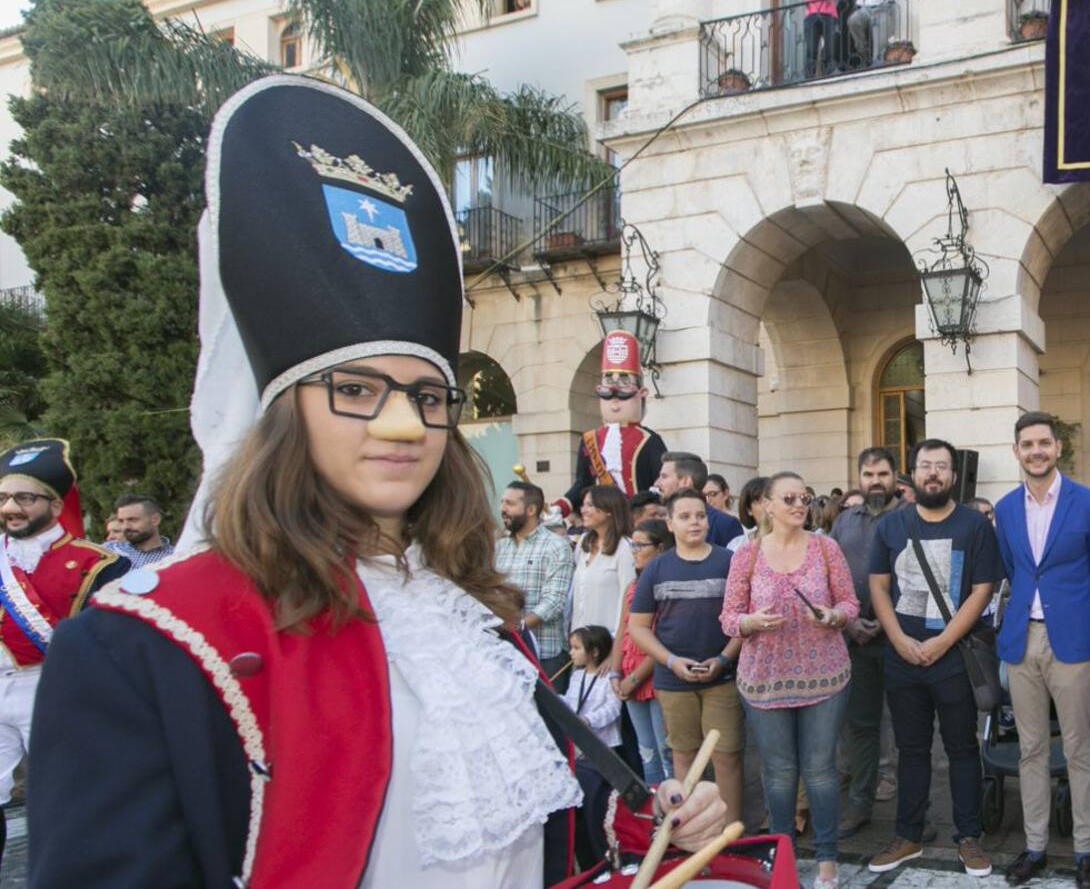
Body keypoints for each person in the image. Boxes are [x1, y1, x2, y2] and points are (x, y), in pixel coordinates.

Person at [25, 76, 726, 888]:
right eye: (355, 390)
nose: (405, 426)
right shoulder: (139, 645)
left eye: (429, 397)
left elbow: (530, 823)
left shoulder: (470, 619)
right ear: (280, 414)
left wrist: (648, 816)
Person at [995, 412, 1090, 889]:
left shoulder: (1088, 505)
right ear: (1017, 451)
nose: (1036, 451)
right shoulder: (1006, 509)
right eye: (1027, 444)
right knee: (1029, 748)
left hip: (1073, 638)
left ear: (1057, 448)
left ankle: (1086, 851)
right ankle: (1035, 847)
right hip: (1021, 638)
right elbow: (1014, 567)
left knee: (1078, 747)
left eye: (1043, 443)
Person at [867, 438, 1001, 879]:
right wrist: (898, 639)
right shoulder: (891, 525)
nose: (933, 474)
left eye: (941, 467)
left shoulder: (974, 526)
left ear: (953, 475)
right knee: (911, 749)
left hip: (954, 656)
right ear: (914, 473)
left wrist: (942, 641)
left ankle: (969, 837)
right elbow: (879, 586)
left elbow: (982, 590)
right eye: (926, 466)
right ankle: (908, 834)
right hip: (902, 656)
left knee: (963, 748)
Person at [720, 472, 857, 889]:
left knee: (819, 771)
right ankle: (783, 861)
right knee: (778, 774)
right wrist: (750, 622)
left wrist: (834, 616)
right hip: (764, 679)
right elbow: (728, 617)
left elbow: (850, 601)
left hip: (824, 676)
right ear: (766, 505)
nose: (800, 504)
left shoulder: (826, 547)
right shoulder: (747, 554)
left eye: (805, 497)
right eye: (789, 498)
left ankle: (828, 863)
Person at [0, 438, 128, 865]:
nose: (10, 508)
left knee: (72, 797)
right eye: (2, 497)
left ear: (55, 505)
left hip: (55, 687)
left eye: (24, 497)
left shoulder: (101, 564)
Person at [630, 487, 744, 824]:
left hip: (722, 676)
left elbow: (742, 622)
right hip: (673, 679)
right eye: (684, 516)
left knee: (728, 757)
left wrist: (723, 658)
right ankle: (693, 835)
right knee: (684, 759)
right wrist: (670, 661)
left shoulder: (729, 561)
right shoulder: (657, 568)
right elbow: (638, 627)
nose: (694, 522)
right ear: (669, 523)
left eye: (699, 515)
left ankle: (731, 836)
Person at [831, 447, 904, 839]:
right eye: (869, 474)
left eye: (882, 473)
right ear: (859, 477)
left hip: (902, 640)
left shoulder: (910, 517)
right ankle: (860, 805)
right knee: (861, 726)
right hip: (855, 639)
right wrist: (850, 623)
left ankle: (914, 814)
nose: (876, 481)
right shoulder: (844, 522)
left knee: (911, 726)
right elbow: (832, 576)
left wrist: (886, 622)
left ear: (895, 476)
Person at [551, 331, 666, 519]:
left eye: (623, 382)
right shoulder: (590, 439)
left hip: (637, 520)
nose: (614, 389)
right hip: (602, 519)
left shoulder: (650, 440)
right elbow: (582, 484)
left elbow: (661, 482)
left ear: (641, 392)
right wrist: (561, 507)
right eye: (608, 380)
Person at [611, 518, 674, 784]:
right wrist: (615, 674)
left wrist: (633, 678)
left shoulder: (667, 586)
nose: (634, 550)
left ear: (660, 548)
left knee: (666, 751)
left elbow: (662, 640)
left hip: (655, 674)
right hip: (628, 675)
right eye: (632, 544)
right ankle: (655, 816)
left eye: (641, 545)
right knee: (646, 752)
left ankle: (675, 816)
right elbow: (621, 631)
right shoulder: (632, 587)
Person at [497, 480, 575, 691]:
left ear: (531, 510)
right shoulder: (500, 547)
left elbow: (554, 601)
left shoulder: (556, 546)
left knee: (548, 721)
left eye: (510, 504)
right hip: (507, 652)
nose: (502, 509)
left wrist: (520, 627)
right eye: (502, 502)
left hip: (545, 654)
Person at [562, 624, 625, 870]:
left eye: (577, 648)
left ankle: (605, 856)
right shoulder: (576, 676)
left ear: (595, 652)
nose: (571, 653)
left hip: (604, 749)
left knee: (599, 807)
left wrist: (588, 721)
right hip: (580, 751)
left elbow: (613, 709)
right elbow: (569, 702)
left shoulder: (608, 678)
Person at [571, 484, 636, 636]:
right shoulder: (583, 542)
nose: (583, 510)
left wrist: (616, 646)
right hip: (580, 642)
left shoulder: (625, 547)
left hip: (609, 641)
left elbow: (627, 599)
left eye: (590, 505)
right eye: (583, 505)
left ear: (608, 509)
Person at [656, 451, 743, 548]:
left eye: (664, 476)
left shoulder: (724, 524)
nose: (657, 483)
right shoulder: (659, 521)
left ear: (685, 481)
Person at [103, 493, 175, 569]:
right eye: (121, 521)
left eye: (132, 520)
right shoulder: (109, 550)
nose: (125, 527)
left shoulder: (173, 557)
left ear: (155, 519)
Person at [847, 0, 897, 67]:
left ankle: (877, 62)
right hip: (866, 7)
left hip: (883, 6)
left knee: (879, 44)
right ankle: (865, 55)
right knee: (853, 20)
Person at [803, 0, 839, 78]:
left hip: (829, 13)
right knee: (812, 51)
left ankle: (830, 76)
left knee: (830, 49)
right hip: (812, 14)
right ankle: (809, 80)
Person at [729, 476, 768, 552]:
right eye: (759, 502)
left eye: (770, 500)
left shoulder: (794, 543)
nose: (766, 506)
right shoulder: (737, 545)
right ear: (749, 509)